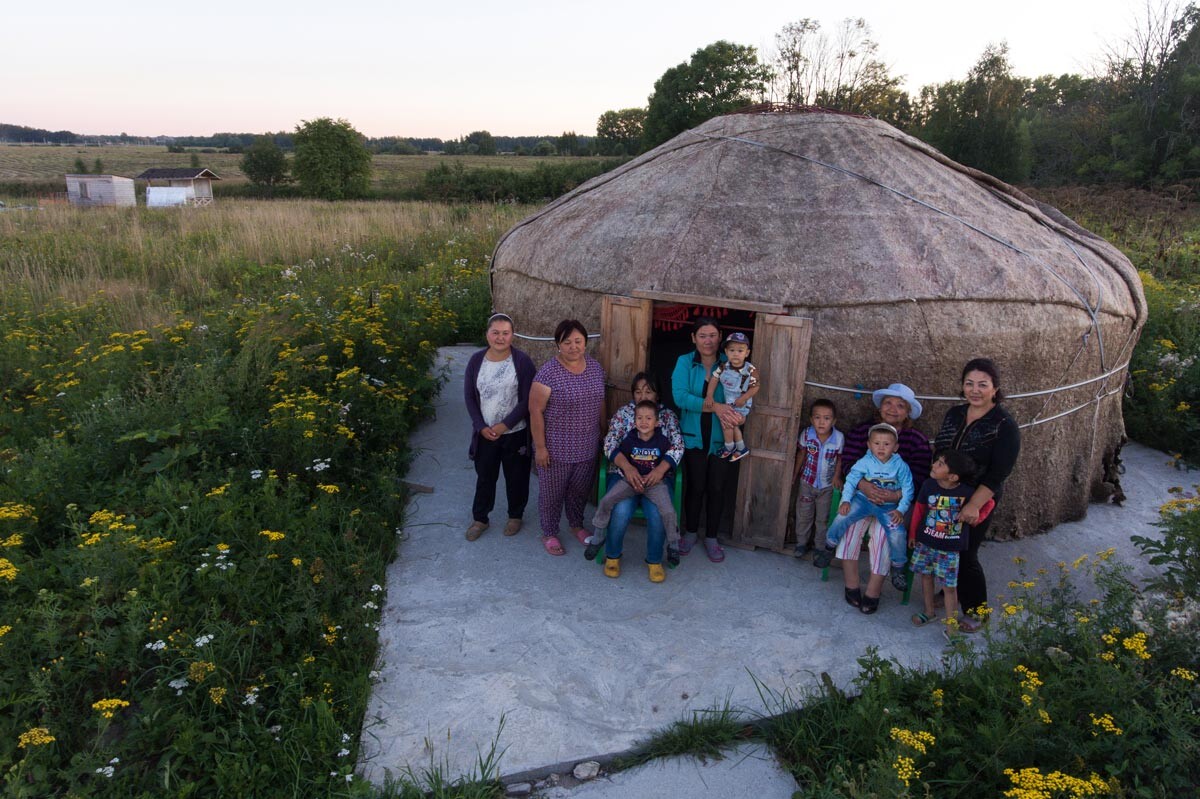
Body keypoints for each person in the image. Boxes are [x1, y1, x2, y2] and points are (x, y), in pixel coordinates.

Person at [932, 358, 1021, 620]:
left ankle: (977, 611)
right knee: (946, 547)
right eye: (969, 383)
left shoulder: (1004, 426)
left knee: (967, 553)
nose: (975, 390)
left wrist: (973, 504)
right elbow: (941, 449)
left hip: (978, 496)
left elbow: (999, 473)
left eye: (983, 384)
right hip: (947, 491)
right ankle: (952, 592)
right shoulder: (955, 414)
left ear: (995, 388)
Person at [836, 383, 933, 591]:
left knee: (884, 533)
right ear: (880, 407)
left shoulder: (917, 441)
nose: (892, 409)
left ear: (907, 413)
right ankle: (851, 585)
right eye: (888, 403)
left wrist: (894, 495)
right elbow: (848, 463)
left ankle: (873, 590)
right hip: (862, 497)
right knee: (850, 527)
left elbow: (921, 477)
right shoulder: (862, 432)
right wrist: (863, 486)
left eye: (900, 405)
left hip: (894, 504)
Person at [814, 423, 914, 614]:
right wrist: (845, 500)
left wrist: (900, 508)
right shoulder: (864, 461)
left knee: (896, 532)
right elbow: (851, 480)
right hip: (863, 499)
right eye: (877, 443)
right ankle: (828, 546)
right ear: (869, 445)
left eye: (886, 444)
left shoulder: (900, 465)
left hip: (889, 505)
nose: (881, 448)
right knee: (843, 518)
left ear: (895, 447)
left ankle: (898, 567)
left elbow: (909, 488)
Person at [586, 372, 685, 565]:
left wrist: (659, 471)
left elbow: (678, 446)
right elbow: (610, 443)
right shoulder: (624, 414)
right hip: (625, 476)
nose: (642, 396)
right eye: (638, 391)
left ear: (657, 394)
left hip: (657, 479)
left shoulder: (667, 417)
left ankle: (655, 560)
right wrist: (628, 468)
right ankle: (612, 555)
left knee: (658, 515)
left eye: (648, 391)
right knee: (621, 510)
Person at [528, 319, 607, 556]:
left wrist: (604, 432)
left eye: (578, 341)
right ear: (558, 345)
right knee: (552, 493)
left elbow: (600, 402)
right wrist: (540, 448)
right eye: (567, 342)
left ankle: (576, 525)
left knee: (579, 491)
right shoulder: (548, 373)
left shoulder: (595, 368)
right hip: (556, 447)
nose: (574, 346)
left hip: (587, 445)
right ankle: (549, 532)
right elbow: (535, 411)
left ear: (585, 342)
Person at [671, 317, 745, 563]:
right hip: (693, 437)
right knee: (696, 487)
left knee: (717, 488)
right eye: (702, 335)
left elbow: (741, 397)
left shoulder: (733, 363)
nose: (708, 340)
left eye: (713, 335)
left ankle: (712, 537)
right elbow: (680, 397)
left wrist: (737, 413)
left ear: (720, 337)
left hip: (722, 438)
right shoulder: (684, 362)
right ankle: (690, 533)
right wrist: (717, 408)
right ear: (694, 338)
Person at [463, 313, 536, 540]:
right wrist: (480, 425)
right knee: (485, 476)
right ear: (487, 334)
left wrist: (505, 425)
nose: (500, 338)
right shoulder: (476, 361)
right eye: (495, 332)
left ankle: (515, 516)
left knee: (517, 476)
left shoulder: (522, 362)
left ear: (512, 335)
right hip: (485, 432)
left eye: (505, 333)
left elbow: (527, 400)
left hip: (515, 432)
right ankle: (480, 518)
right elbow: (469, 397)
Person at [908, 449, 995, 639]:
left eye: (940, 464)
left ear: (953, 476)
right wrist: (913, 534)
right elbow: (920, 510)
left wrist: (975, 518)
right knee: (926, 577)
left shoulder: (966, 493)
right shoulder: (928, 485)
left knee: (949, 587)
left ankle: (951, 625)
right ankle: (929, 612)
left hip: (949, 549)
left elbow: (989, 504)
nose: (934, 465)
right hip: (926, 543)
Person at [792, 399, 844, 557]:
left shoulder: (839, 438)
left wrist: (837, 477)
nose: (822, 422)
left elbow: (840, 459)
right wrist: (794, 475)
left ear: (833, 421)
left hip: (827, 486)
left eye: (827, 418)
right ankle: (801, 544)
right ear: (811, 419)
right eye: (817, 417)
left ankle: (819, 547)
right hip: (807, 482)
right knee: (804, 515)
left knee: (823, 518)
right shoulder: (807, 434)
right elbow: (801, 454)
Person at [705, 332, 759, 462]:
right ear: (726, 352)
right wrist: (709, 396)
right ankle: (741, 448)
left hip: (741, 406)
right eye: (732, 350)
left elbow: (755, 387)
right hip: (729, 403)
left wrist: (744, 398)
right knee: (731, 423)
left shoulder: (750, 370)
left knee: (728, 422)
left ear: (747, 353)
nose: (736, 354)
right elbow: (714, 379)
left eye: (740, 351)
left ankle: (729, 447)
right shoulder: (724, 366)